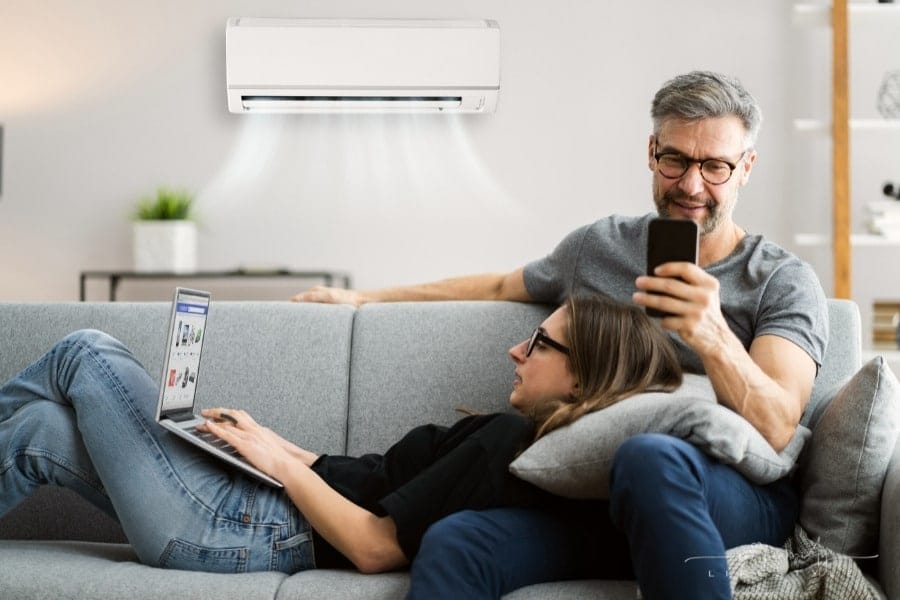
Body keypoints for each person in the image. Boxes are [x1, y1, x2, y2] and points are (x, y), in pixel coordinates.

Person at [292, 70, 829, 599]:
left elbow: (778, 424)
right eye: (676, 160)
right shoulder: (600, 248)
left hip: (726, 498)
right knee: (458, 540)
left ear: (746, 167)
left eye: (715, 166)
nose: (691, 185)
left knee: (649, 458)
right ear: (651, 152)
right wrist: (364, 298)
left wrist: (712, 336)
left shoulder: (780, 281)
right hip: (596, 503)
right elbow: (503, 284)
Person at [0, 295, 680, 575]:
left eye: (539, 342)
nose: (515, 350)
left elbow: (374, 545)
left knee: (86, 349)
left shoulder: (507, 443)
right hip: (249, 506)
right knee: (39, 430)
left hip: (244, 528)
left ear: (581, 377)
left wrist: (277, 465)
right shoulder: (513, 438)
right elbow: (369, 478)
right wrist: (273, 443)